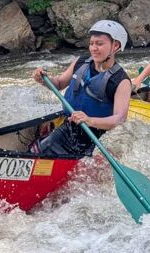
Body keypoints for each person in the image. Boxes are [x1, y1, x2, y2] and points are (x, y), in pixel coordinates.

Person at [31, 20, 131, 157]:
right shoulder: (81, 62)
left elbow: (119, 119)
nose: (93, 48)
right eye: (91, 43)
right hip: (69, 128)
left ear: (115, 46)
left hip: (97, 138)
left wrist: (90, 120)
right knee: (34, 153)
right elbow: (59, 83)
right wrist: (43, 80)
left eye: (99, 44)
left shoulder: (121, 81)